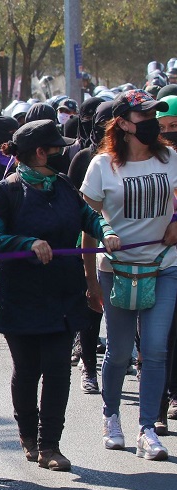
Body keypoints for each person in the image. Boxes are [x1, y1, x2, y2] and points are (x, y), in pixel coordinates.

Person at [0, 120, 121, 471]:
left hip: (63, 292)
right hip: (20, 294)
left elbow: (88, 217)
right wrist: (26, 243)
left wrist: (106, 230)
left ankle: (51, 445)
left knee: (59, 369)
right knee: (27, 368)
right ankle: (28, 437)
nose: (64, 153)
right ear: (40, 152)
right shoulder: (6, 192)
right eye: (57, 148)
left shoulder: (63, 185)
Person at [81, 89, 177, 462]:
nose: (152, 122)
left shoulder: (170, 159)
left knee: (154, 349)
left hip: (164, 265)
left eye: (155, 114)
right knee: (119, 350)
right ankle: (111, 418)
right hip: (115, 270)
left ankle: (148, 428)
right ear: (121, 123)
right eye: (144, 116)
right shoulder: (102, 166)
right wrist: (89, 278)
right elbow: (86, 224)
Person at [67, 100, 115, 394]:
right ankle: (88, 364)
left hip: (124, 246)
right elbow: (74, 206)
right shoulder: (84, 157)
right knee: (91, 306)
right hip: (87, 244)